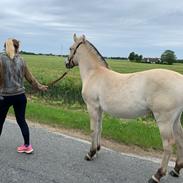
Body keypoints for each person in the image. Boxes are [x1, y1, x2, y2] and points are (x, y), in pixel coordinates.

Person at [0, 38, 48, 153]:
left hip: (4, 96)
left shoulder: (1, 59)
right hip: (20, 96)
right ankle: (27, 146)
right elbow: (30, 78)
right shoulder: (22, 60)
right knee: (21, 120)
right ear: (17, 48)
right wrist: (40, 87)